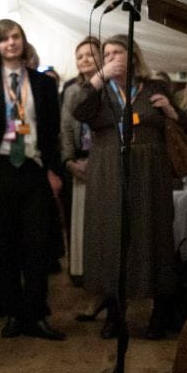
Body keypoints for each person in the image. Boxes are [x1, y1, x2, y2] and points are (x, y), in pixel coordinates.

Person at [70, 34, 187, 340]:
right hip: (108, 172)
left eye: (117, 52)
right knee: (111, 239)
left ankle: (160, 313)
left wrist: (170, 110)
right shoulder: (97, 91)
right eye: (107, 53)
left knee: (154, 237)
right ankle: (115, 313)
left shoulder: (154, 87)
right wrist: (99, 77)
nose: (111, 57)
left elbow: (185, 125)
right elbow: (77, 110)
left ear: (133, 56)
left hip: (150, 174)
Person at [0, 19, 66, 341]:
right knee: (3, 246)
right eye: (4, 39)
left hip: (34, 169)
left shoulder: (43, 84)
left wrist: (53, 170)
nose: (11, 43)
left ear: (23, 41)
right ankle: (13, 313)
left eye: (15, 37)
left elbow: (52, 133)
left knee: (37, 245)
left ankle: (37, 314)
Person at [59, 36, 101, 287]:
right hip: (78, 161)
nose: (84, 60)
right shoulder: (71, 90)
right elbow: (65, 128)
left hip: (103, 162)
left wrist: (97, 161)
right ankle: (81, 273)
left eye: (90, 54)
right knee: (79, 223)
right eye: (80, 56)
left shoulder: (109, 87)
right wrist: (68, 161)